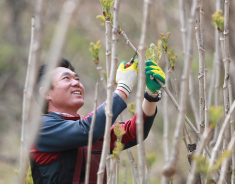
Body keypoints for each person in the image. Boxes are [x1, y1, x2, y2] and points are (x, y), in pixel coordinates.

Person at [29, 58, 165, 184]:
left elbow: (133, 133)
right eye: (66, 78)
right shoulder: (41, 127)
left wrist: (151, 95)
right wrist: (123, 87)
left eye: (77, 79)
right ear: (46, 93)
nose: (76, 83)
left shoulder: (87, 128)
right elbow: (89, 130)